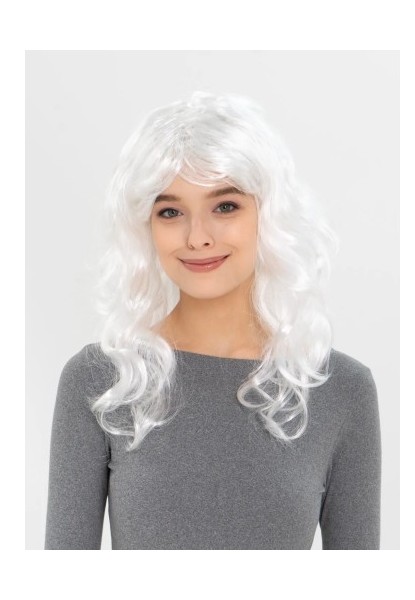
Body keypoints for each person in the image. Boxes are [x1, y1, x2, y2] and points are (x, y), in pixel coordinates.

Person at [44, 91, 382, 550]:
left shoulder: (341, 389)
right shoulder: (102, 380)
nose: (197, 237)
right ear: (146, 227)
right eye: (170, 212)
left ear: (268, 214)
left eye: (225, 206)